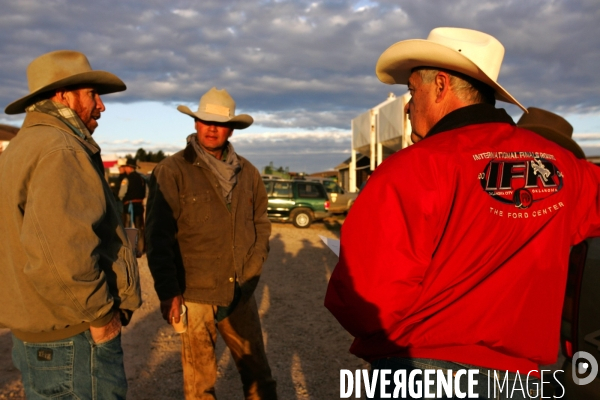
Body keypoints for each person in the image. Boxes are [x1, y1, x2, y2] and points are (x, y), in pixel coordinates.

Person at [325, 27, 600, 399]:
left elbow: (367, 300)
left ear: (440, 86)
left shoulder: (411, 169)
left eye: (411, 90)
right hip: (526, 380)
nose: (408, 106)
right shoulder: (569, 169)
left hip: (423, 372)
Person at [0, 50, 142, 399]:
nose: (101, 106)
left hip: (39, 332)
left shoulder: (22, 147)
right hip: (71, 337)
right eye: (93, 94)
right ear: (63, 95)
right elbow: (63, 258)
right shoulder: (61, 149)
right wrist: (101, 318)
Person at [145, 87, 277, 399]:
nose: (211, 127)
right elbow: (157, 236)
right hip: (195, 295)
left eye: (219, 122)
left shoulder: (249, 174)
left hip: (238, 293)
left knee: (261, 379)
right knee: (200, 386)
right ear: (195, 123)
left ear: (232, 128)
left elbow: (261, 224)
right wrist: (168, 291)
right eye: (205, 120)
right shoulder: (172, 171)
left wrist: (252, 270)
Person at [119, 157, 147, 254]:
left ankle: (129, 248)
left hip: (129, 206)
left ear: (129, 168)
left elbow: (121, 194)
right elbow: (146, 193)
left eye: (126, 167)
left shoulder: (126, 179)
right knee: (139, 227)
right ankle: (141, 248)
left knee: (127, 227)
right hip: (139, 205)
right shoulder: (142, 179)